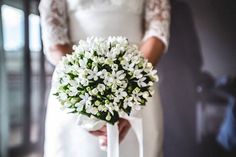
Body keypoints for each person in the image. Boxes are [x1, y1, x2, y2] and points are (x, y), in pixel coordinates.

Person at [39, 0, 171, 157]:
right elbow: (53, 33)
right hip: (77, 86)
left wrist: (129, 93)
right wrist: (82, 89)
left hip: (136, 85)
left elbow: (157, 30)